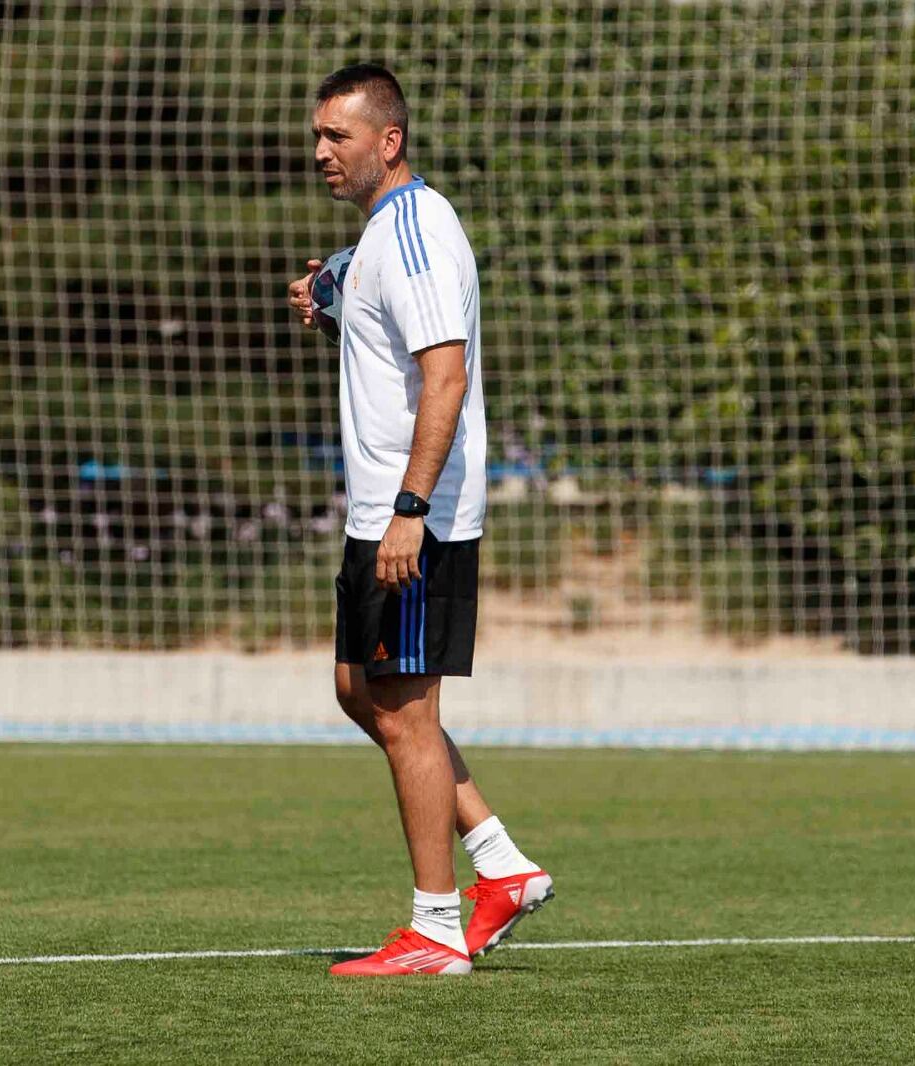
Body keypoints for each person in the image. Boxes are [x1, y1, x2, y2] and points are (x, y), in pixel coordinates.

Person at [286, 65, 553, 975]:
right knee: (360, 692)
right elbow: (384, 335)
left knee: (404, 712)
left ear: (387, 141)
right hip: (380, 514)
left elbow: (445, 375)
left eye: (337, 135)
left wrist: (410, 511)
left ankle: (437, 929)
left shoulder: (414, 233)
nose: (320, 150)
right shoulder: (380, 234)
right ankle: (501, 865)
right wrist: (329, 303)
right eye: (318, 135)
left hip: (416, 519)